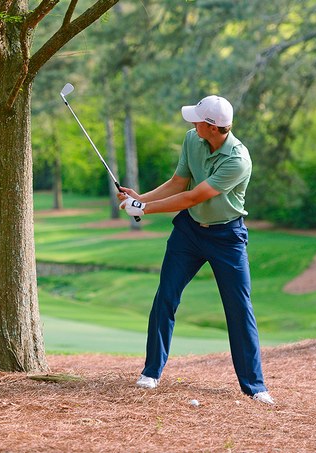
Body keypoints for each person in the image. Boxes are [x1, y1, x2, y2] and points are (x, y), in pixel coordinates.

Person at [117, 95, 274, 405]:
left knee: (239, 308)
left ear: (212, 127)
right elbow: (179, 183)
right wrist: (140, 199)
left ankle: (255, 386)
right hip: (189, 232)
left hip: (226, 237)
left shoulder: (237, 160)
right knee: (166, 296)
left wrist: (144, 208)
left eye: (197, 119)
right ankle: (151, 371)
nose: (191, 123)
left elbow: (193, 197)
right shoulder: (193, 139)